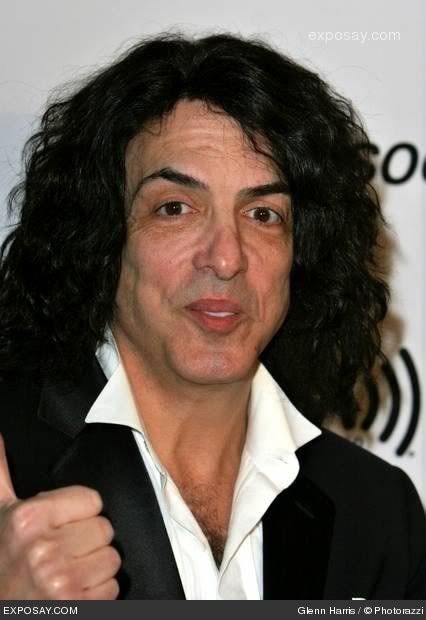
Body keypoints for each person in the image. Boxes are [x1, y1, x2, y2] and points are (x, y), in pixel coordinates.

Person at [0, 32, 424, 601]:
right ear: (100, 237)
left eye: (263, 214)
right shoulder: (13, 460)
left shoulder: (376, 511)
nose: (226, 258)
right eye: (175, 208)